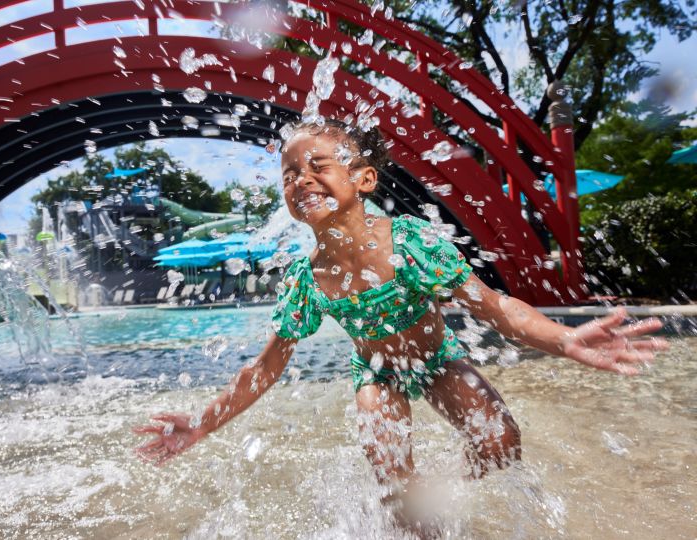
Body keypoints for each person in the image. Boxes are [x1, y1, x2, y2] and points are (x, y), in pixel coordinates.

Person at [134, 119, 667, 529]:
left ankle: (458, 506)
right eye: (289, 174)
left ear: (363, 178)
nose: (302, 180)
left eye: (318, 165)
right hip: (377, 374)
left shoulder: (411, 242)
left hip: (438, 360)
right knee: (391, 469)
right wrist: (203, 422)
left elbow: (494, 307)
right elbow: (266, 367)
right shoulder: (309, 278)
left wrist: (565, 338)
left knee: (501, 438)